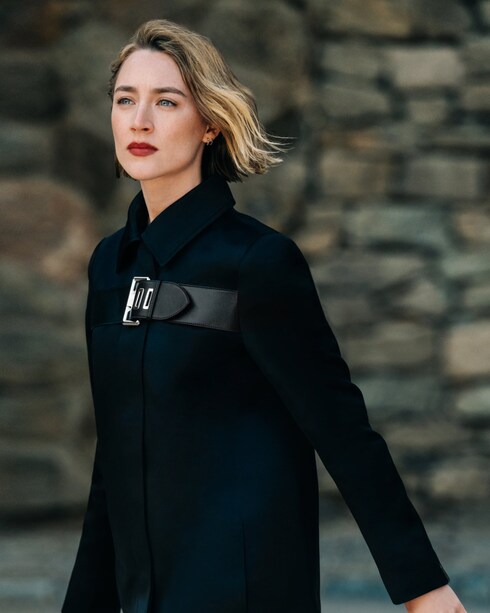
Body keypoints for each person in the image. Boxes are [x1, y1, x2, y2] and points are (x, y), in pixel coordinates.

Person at [62, 18, 467, 613]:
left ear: (209, 124)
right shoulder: (110, 266)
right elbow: (117, 455)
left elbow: (341, 429)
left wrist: (422, 587)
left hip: (247, 590)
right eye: (126, 100)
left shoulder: (257, 261)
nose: (139, 120)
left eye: (166, 101)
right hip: (147, 594)